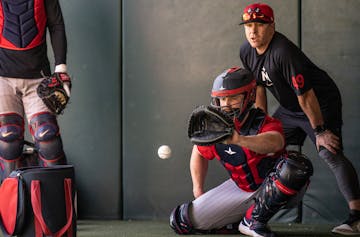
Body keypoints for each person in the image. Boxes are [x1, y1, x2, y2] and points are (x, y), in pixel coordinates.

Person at [238, 2, 360, 235]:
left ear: (272, 25)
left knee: (329, 152)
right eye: (248, 25)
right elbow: (260, 89)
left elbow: (306, 96)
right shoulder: (247, 51)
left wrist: (321, 130)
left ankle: (357, 217)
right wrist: (263, 126)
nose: (253, 31)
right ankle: (256, 216)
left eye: (260, 25)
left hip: (319, 102)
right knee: (267, 146)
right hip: (289, 107)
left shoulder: (283, 52)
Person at [170, 67, 313, 237]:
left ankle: (253, 221)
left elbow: (276, 142)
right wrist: (198, 191)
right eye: (222, 99)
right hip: (240, 189)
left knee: (296, 165)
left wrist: (239, 140)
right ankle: (235, 222)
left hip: (272, 186)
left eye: (233, 98)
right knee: (181, 221)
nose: (226, 104)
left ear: (249, 96)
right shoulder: (216, 127)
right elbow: (198, 153)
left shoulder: (265, 123)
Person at [0, 0, 70, 182]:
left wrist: (60, 68)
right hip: (3, 77)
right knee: (8, 138)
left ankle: (57, 204)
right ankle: (12, 206)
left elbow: (56, 25)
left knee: (47, 137)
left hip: (38, 77)